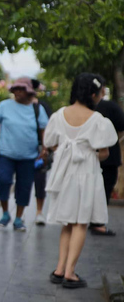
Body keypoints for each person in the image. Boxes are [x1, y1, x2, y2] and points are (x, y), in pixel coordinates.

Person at [45, 73, 118, 289]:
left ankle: (59, 269)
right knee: (81, 222)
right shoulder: (97, 120)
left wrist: (67, 151)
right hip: (87, 173)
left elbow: (50, 143)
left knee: (68, 221)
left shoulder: (59, 115)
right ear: (93, 94)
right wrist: (88, 154)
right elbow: (103, 153)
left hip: (65, 173)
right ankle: (70, 272)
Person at [0, 77, 48, 232]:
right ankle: (5, 213)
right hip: (5, 153)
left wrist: (45, 148)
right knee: (3, 180)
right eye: (15, 89)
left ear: (28, 92)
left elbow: (44, 129)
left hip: (28, 156)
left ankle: (18, 218)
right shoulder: (4, 106)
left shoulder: (36, 109)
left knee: (24, 187)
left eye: (21, 89)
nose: (17, 92)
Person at [89, 94, 124, 236]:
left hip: (87, 153)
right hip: (108, 154)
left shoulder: (80, 109)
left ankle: (90, 219)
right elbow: (122, 124)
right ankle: (98, 222)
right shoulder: (109, 106)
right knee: (105, 187)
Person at [31, 79, 54, 226]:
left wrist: (46, 148)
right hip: (20, 151)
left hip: (39, 150)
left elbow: (49, 127)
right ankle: (17, 214)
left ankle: (39, 212)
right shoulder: (15, 106)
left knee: (40, 181)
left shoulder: (42, 107)